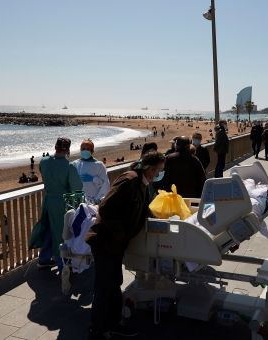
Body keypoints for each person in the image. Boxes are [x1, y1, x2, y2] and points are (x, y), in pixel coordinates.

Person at [87, 151, 166, 340]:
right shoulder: (129, 180)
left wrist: (159, 221)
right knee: (104, 287)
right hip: (106, 242)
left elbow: (141, 208)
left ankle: (113, 324)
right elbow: (106, 207)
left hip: (115, 244)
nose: (160, 174)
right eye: (159, 170)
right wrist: (121, 234)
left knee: (114, 284)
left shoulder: (141, 184)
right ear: (150, 168)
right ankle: (97, 330)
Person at [29, 137, 82, 270]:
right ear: (68, 149)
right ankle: (61, 262)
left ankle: (44, 258)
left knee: (47, 227)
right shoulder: (69, 166)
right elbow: (76, 187)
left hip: (48, 200)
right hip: (61, 202)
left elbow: (44, 176)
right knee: (60, 232)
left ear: (55, 147)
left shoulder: (45, 162)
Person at [72, 139, 110, 204]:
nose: (85, 150)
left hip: (94, 201)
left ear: (92, 151)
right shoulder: (74, 164)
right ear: (80, 150)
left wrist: (94, 179)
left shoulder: (99, 165)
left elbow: (105, 184)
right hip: (78, 201)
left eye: (87, 149)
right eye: (83, 149)